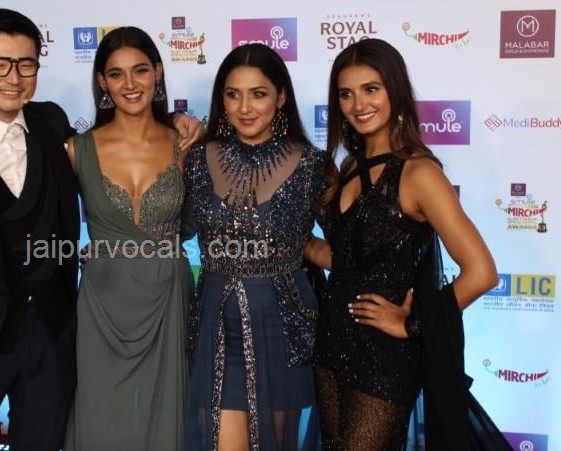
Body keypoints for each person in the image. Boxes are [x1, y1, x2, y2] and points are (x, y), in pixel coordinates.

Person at [0, 10, 200, 450]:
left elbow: (121, 153)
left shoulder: (51, 125)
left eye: (25, 63)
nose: (13, 77)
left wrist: (183, 121)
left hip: (54, 337)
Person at [309, 38, 504, 450]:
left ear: (395, 91)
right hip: (330, 346)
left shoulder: (418, 173)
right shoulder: (349, 167)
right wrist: (301, 246)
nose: (358, 104)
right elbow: (349, 260)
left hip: (384, 359)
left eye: (371, 89)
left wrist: (411, 323)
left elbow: (482, 273)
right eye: (346, 94)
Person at [182, 43, 324, 451]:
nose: (244, 107)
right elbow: (173, 229)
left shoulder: (312, 164)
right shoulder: (196, 159)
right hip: (214, 326)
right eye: (233, 94)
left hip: (283, 324)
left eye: (258, 94)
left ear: (281, 97)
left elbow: (342, 244)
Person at [62, 27, 192, 451]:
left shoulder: (187, 142)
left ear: (158, 73)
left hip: (168, 296)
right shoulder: (75, 149)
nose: (130, 84)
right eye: (116, 74)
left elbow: (200, 221)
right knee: (99, 415)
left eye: (140, 70)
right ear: (102, 81)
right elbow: (50, 227)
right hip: (102, 301)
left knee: (168, 418)